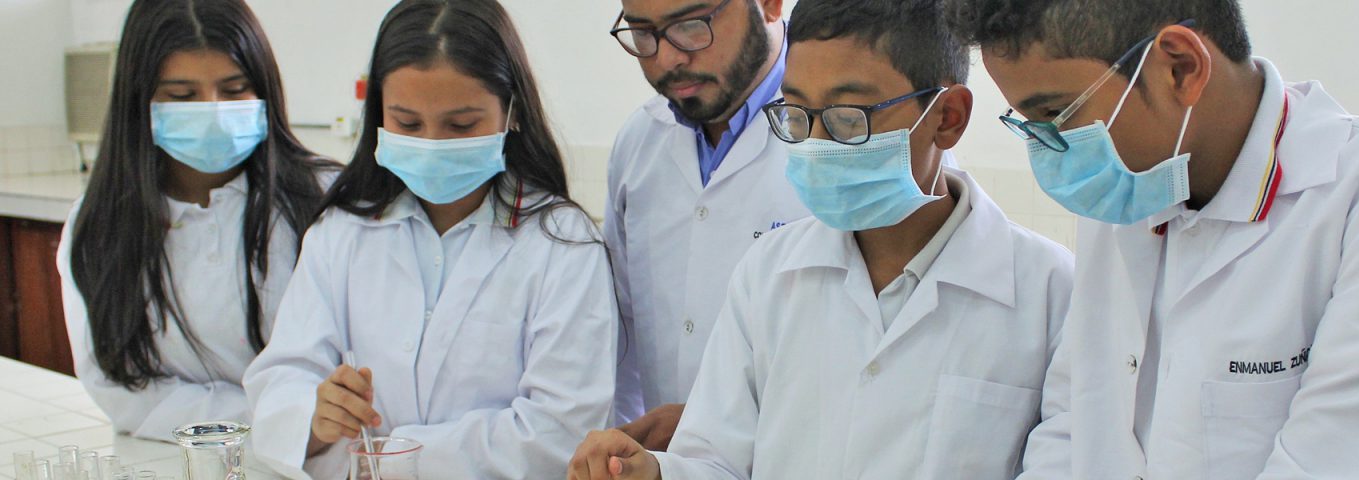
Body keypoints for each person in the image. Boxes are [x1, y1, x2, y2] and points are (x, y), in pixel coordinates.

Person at [944, 0, 1359, 478]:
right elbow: (1075, 426)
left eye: (1057, 114)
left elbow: (1340, 462)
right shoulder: (1128, 197)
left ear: (1181, 67)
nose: (1051, 150)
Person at [568, 0, 1074, 478]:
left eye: (849, 119)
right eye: (796, 114)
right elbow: (717, 462)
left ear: (947, 117)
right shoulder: (768, 273)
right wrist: (655, 471)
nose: (816, 145)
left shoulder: (1051, 293)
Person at [241, 1, 617, 477]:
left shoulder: (562, 244)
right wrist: (315, 418)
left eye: (461, 125)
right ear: (379, 114)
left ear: (513, 112)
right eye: (407, 124)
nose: (433, 144)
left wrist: (393, 455)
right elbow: (281, 381)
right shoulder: (342, 232)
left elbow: (558, 432)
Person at [57, 0, 337, 442]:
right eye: (182, 97)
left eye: (234, 89)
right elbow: (122, 388)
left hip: (317, 458)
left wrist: (301, 427)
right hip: (177, 457)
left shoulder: (324, 200)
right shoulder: (100, 227)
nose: (213, 112)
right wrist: (282, 421)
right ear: (139, 100)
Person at [602, 0, 810, 449]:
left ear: (770, 5)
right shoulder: (638, 143)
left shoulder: (848, 140)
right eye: (643, 33)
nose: (667, 58)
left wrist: (717, 425)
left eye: (691, 26)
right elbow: (623, 337)